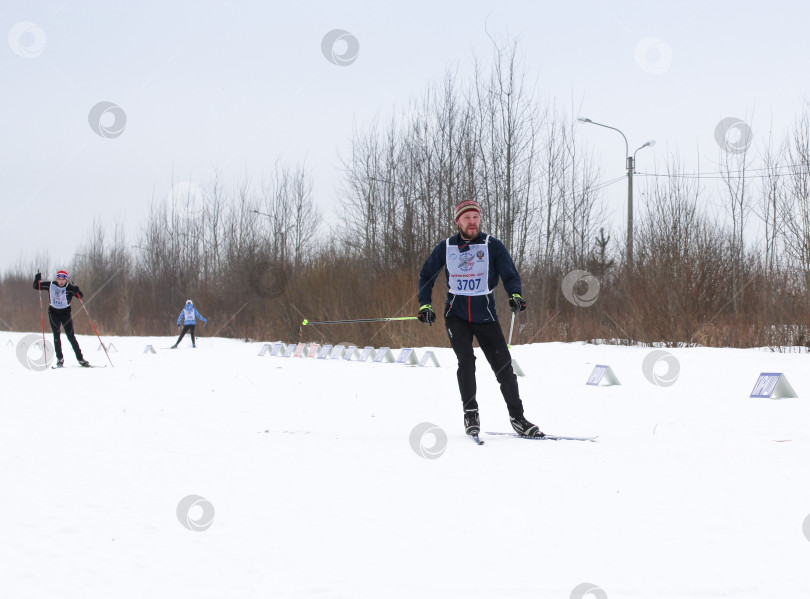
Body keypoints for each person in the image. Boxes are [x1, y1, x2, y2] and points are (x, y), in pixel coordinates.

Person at [417, 199, 542, 438]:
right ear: (458, 222)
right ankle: (471, 414)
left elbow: (510, 274)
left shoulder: (492, 245)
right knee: (466, 361)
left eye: (475, 217)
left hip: (486, 316)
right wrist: (425, 305)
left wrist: (515, 295)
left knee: (504, 368)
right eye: (467, 218)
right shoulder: (446, 247)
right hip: (456, 316)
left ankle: (518, 418)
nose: (472, 222)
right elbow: (426, 276)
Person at [33, 270, 89, 368]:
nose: (61, 281)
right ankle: (60, 359)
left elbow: (80, 297)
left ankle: (80, 359)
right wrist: (36, 279)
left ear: (66, 280)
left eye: (63, 279)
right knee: (56, 336)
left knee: (71, 336)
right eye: (59, 279)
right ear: (57, 279)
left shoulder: (69, 288)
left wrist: (77, 290)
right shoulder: (51, 285)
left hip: (65, 314)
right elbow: (36, 286)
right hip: (53, 313)